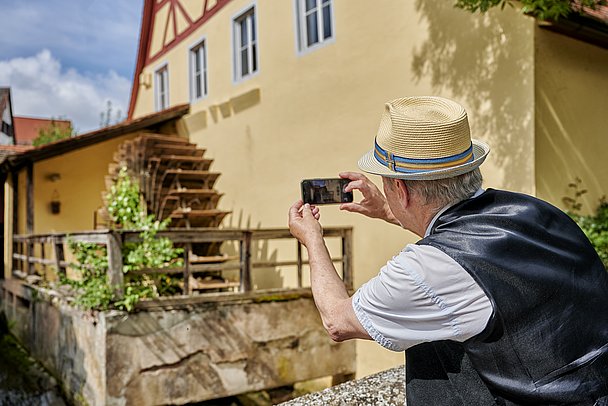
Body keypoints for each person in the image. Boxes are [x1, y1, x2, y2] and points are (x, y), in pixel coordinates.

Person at [288, 96, 608, 405]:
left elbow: (337, 321)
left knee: (423, 326)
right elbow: (457, 233)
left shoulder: (428, 269)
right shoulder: (534, 210)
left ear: (400, 188)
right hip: (592, 387)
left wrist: (313, 239)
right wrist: (388, 209)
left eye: (387, 183)